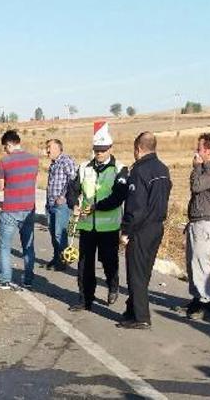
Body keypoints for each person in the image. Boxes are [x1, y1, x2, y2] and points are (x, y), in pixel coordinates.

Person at [67, 121, 128, 311]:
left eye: (102, 149)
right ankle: (85, 299)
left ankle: (112, 285)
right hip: (86, 225)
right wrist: (74, 204)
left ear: (110, 148)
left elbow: (118, 197)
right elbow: (72, 190)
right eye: (96, 150)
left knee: (109, 261)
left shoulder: (120, 169)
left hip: (109, 226)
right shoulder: (84, 167)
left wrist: (97, 207)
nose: (99, 153)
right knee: (85, 264)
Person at [117, 132, 172, 329]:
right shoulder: (163, 169)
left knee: (136, 274)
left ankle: (141, 317)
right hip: (157, 227)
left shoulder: (139, 171)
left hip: (141, 228)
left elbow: (136, 206)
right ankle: (132, 310)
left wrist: (125, 231)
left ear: (138, 148)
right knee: (144, 272)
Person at [182, 133, 210, 320]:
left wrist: (197, 167)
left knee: (202, 264)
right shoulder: (207, 168)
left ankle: (205, 302)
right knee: (193, 263)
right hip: (196, 222)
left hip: (206, 224)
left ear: (207, 150)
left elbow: (197, 186)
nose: (196, 152)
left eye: (199, 148)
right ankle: (196, 297)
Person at [0, 130, 38, 289]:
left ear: (9, 144)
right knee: (28, 246)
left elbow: (1, 187)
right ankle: (28, 280)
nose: (5, 151)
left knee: (5, 247)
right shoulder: (34, 160)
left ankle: (5, 280)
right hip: (29, 208)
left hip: (10, 209)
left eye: (5, 147)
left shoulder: (4, 161)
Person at [44, 139, 77, 271]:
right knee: (53, 233)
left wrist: (64, 196)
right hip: (50, 204)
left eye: (49, 147)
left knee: (60, 234)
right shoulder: (53, 164)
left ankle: (63, 261)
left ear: (58, 148)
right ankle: (57, 257)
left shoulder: (66, 161)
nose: (47, 150)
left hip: (61, 206)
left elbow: (74, 180)